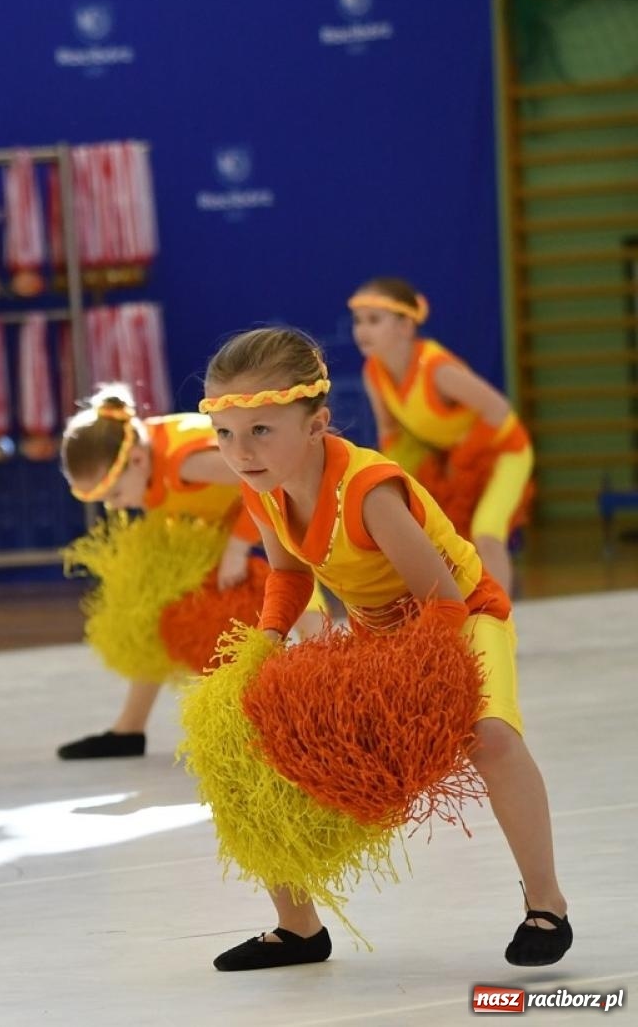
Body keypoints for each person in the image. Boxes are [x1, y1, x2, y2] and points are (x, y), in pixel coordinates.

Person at [198, 326, 569, 971]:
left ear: (317, 424)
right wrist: (265, 644)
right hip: (382, 633)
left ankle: (547, 904)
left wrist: (408, 686)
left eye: (260, 430)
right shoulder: (259, 486)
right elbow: (288, 573)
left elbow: (443, 602)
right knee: (252, 732)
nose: (241, 451)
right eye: (225, 434)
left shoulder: (368, 491)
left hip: (459, 617)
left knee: (490, 737)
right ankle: (298, 928)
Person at [56, 386, 327, 760]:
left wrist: (237, 547)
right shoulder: (141, 452)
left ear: (137, 460)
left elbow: (270, 483)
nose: (114, 506)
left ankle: (326, 703)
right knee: (153, 606)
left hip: (281, 509)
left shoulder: (187, 462)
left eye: (114, 495)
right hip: (228, 521)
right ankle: (130, 728)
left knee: (302, 605)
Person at [352, 277, 533, 591]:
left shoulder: (437, 369)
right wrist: (389, 483)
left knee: (487, 533)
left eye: (373, 320)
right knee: (434, 535)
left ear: (406, 326)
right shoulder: (373, 371)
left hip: (505, 452)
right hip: (451, 459)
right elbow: (391, 432)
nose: (362, 330)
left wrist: (461, 461)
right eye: (357, 321)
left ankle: (499, 613)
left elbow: (498, 409)